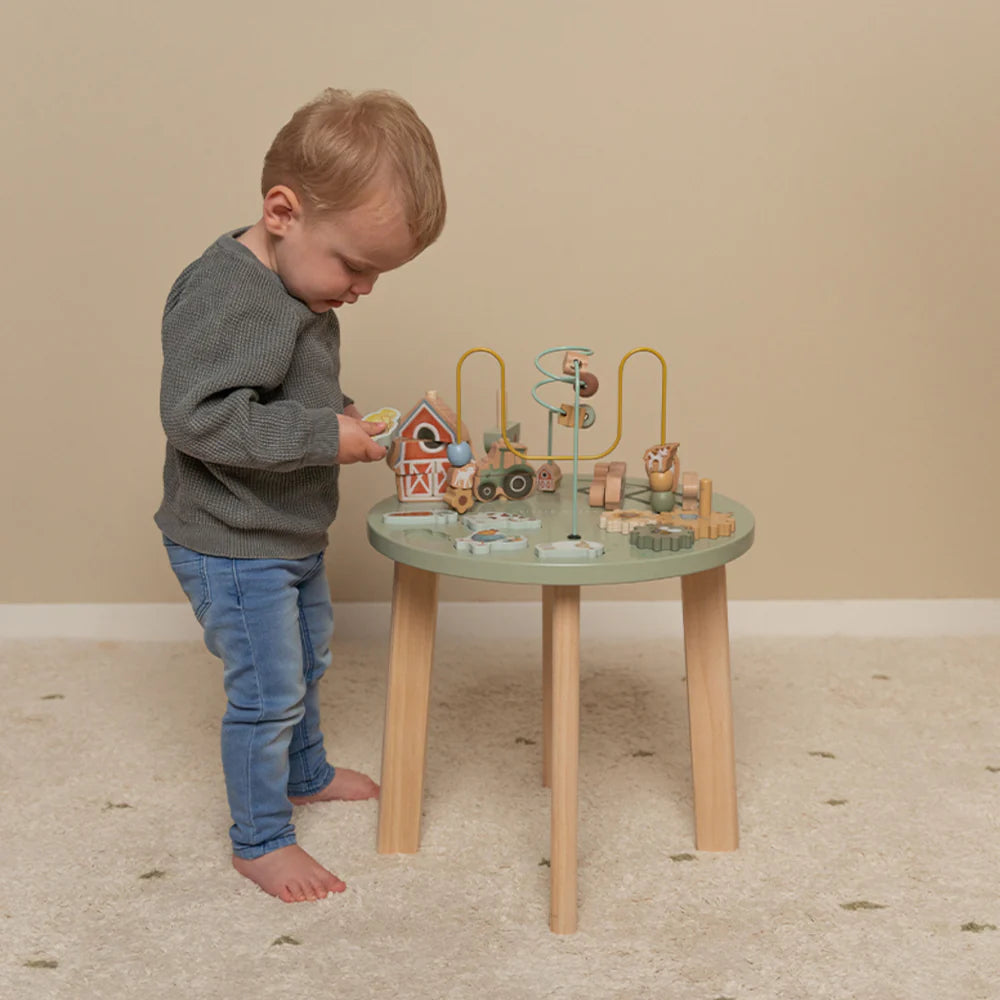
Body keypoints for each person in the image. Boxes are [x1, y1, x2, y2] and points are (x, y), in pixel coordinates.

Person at [155, 89, 446, 903]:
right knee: (267, 689)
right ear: (282, 212)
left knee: (309, 659)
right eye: (354, 266)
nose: (362, 289)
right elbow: (199, 418)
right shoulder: (228, 293)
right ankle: (259, 838)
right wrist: (323, 438)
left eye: (377, 274)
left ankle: (306, 772)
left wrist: (344, 418)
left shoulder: (300, 286)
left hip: (286, 531)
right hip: (230, 540)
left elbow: (285, 389)